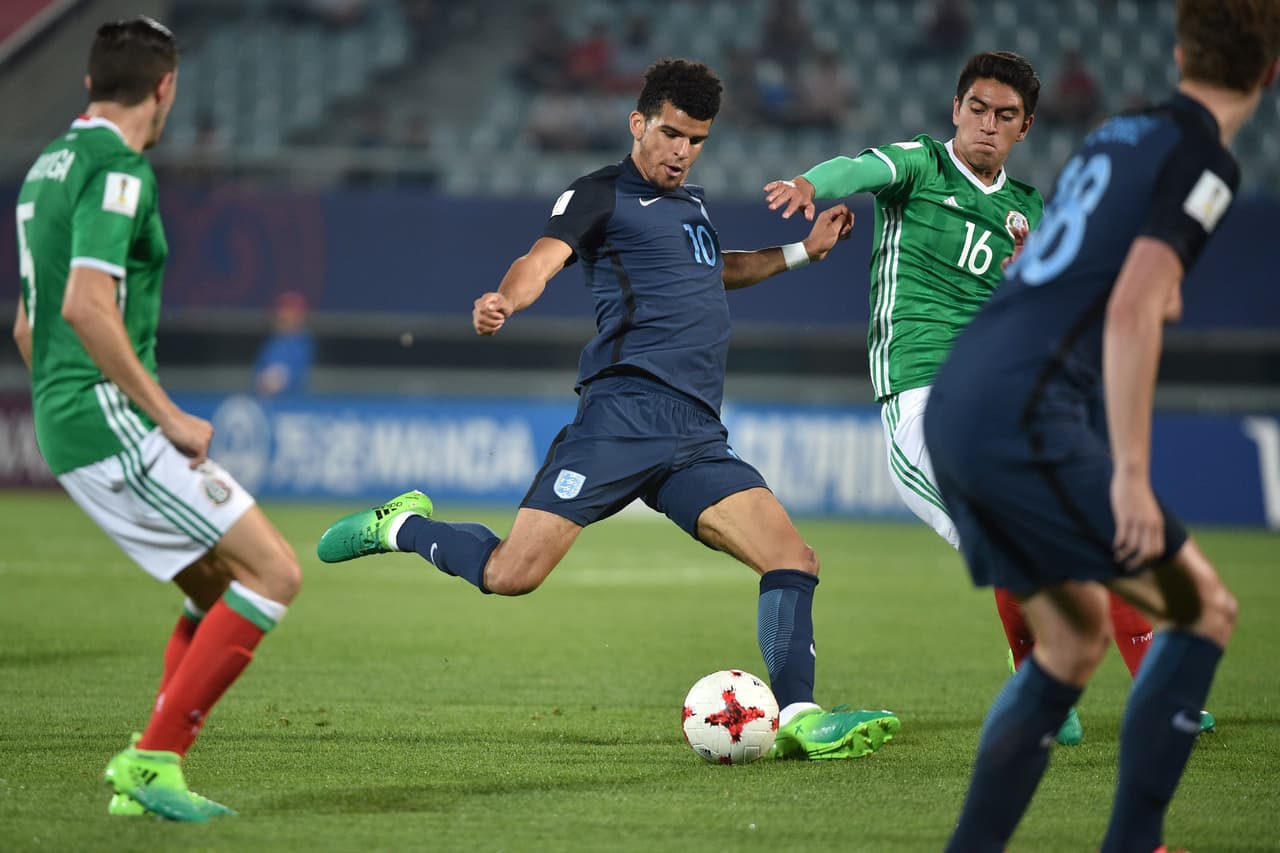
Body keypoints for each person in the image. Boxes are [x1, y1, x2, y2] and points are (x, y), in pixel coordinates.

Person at [317, 58, 900, 761]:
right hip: (622, 416)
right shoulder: (599, 194)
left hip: (695, 433)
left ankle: (800, 714)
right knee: (511, 574)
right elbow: (540, 258)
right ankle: (401, 526)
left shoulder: (692, 207)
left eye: (697, 140)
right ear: (638, 123)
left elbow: (715, 269)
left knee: (793, 558)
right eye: (672, 134)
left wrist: (803, 251)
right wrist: (506, 298)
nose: (682, 151)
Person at [762, 49, 1214, 746]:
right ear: (956, 110)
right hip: (921, 405)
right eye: (977, 108)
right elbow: (857, 169)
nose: (987, 124)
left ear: (1025, 127)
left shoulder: (1027, 208)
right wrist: (808, 183)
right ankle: (1052, 689)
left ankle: (1128, 685)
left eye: (1005, 115)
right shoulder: (921, 165)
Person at [923, 2, 1278, 850]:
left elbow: (1079, 261)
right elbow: (1129, 312)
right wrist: (1128, 473)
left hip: (964, 393)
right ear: (1270, 73)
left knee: (1075, 639)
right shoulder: (1207, 161)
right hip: (1025, 412)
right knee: (1204, 609)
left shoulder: (1121, 134)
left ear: (1181, 50)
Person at [12, 17, 302, 821]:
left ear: (89, 84)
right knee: (274, 573)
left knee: (215, 587)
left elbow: (30, 325)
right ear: (166, 86)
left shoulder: (46, 169)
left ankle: (148, 775)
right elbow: (84, 306)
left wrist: (64, 404)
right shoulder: (119, 170)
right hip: (110, 422)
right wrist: (166, 414)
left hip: (68, 417)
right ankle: (153, 758)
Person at [253, 290, 315, 398]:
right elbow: (258, 371)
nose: (284, 316)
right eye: (281, 313)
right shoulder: (272, 342)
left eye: (290, 313)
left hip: (291, 403)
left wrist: (275, 381)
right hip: (265, 400)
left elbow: (295, 375)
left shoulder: (303, 343)